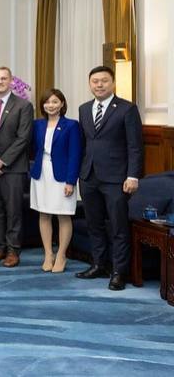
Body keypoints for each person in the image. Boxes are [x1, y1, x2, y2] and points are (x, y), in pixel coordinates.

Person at [75, 66, 143, 291]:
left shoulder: (127, 109)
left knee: (118, 226)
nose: (99, 85)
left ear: (112, 83)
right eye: (95, 81)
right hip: (89, 177)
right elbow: (84, 144)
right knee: (94, 224)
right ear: (90, 84)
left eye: (104, 81)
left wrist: (133, 175)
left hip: (116, 178)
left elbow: (135, 146)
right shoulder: (84, 109)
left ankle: (118, 272)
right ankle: (98, 264)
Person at [0, 67, 33, 268]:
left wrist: (2, 161)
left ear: (11, 80)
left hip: (13, 168)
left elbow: (23, 138)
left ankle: (13, 251)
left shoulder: (23, 106)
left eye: (4, 78)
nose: (0, 81)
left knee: (13, 211)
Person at [30, 88, 81, 273]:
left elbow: (75, 155)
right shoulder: (37, 124)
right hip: (41, 173)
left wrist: (70, 181)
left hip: (62, 175)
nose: (50, 105)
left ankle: (61, 254)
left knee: (63, 214)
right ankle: (48, 254)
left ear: (62, 104)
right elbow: (33, 149)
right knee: (44, 214)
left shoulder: (71, 125)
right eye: (47, 102)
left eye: (54, 102)